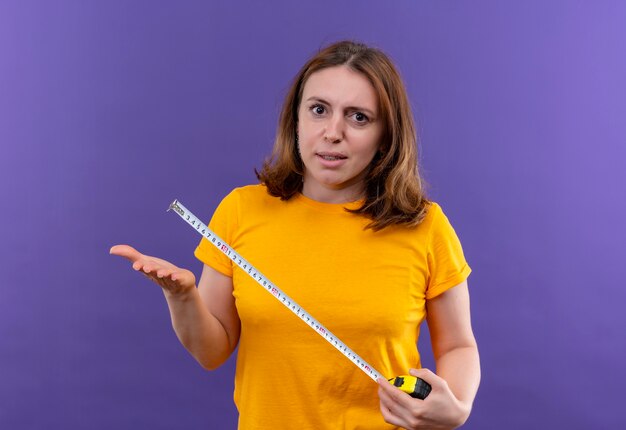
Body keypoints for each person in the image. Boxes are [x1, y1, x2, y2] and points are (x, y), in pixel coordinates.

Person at [111, 40, 480, 429]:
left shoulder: (423, 225)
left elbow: (458, 345)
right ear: (296, 119)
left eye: (358, 117)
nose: (332, 132)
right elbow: (211, 352)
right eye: (319, 110)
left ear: (386, 134)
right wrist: (181, 296)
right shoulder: (241, 210)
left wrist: (456, 406)